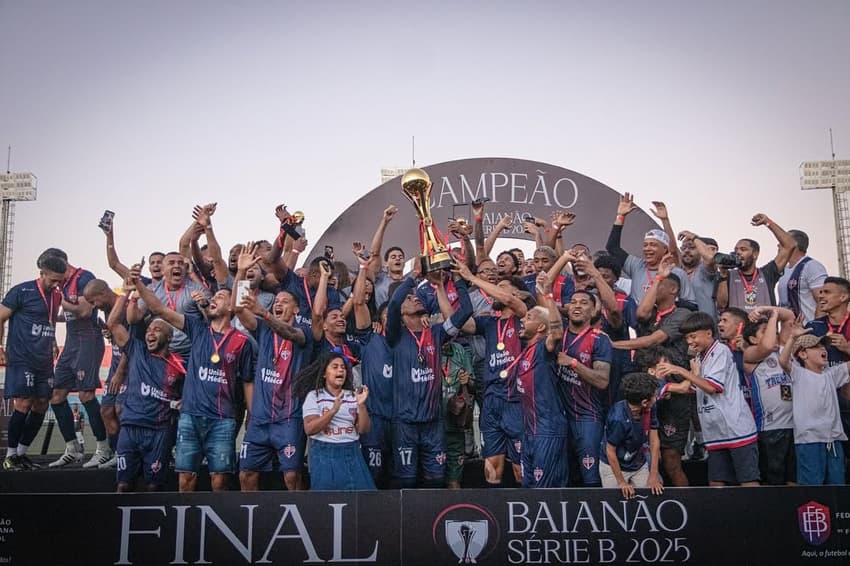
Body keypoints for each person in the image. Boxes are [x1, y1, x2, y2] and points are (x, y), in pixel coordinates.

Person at [132, 267, 254, 492]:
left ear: (231, 306)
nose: (214, 299)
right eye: (214, 296)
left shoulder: (242, 342)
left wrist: (251, 416)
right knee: (186, 477)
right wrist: (138, 283)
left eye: (220, 297)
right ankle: (185, 524)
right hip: (190, 415)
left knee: (220, 479)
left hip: (222, 418)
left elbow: (247, 381)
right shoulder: (197, 327)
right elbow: (159, 308)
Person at [233, 245, 312, 492]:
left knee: (292, 477)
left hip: (289, 418)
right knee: (246, 474)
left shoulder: (303, 332)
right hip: (260, 419)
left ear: (296, 309)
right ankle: (249, 524)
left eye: (285, 301)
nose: (279, 304)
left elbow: (287, 331)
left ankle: (303, 522)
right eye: (276, 301)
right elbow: (237, 308)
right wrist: (242, 273)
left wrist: (265, 314)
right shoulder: (263, 329)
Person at [386, 266, 473, 488]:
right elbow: (394, 303)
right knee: (406, 480)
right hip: (405, 423)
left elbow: (465, 312)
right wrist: (415, 274)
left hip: (434, 423)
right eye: (409, 298)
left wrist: (458, 279)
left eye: (415, 296)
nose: (414, 298)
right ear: (402, 314)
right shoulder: (395, 336)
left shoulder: (436, 334)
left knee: (436, 480)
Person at [660, 312, 760, 487]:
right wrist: (665, 388)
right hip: (715, 432)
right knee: (715, 483)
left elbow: (713, 388)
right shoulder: (698, 357)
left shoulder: (720, 350)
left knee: (748, 482)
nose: (689, 342)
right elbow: (694, 387)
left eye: (693, 336)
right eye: (687, 338)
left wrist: (680, 370)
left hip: (736, 429)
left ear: (708, 333)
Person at [453, 262, 528, 487]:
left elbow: (512, 302)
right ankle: (495, 511)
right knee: (492, 464)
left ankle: (523, 510)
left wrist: (472, 277)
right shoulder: (490, 322)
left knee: (520, 466)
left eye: (501, 286)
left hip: (516, 399)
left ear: (516, 293)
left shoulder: (524, 318)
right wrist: (452, 285)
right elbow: (460, 324)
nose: (495, 288)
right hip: (491, 399)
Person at [105, 289, 184, 492]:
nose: (150, 333)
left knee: (154, 487)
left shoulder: (180, 365)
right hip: (130, 428)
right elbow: (113, 325)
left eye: (156, 330)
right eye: (148, 330)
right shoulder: (137, 350)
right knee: (122, 485)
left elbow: (189, 396)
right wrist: (126, 292)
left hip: (160, 431)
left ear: (169, 337)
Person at [44, 250, 110, 468]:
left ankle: (103, 448)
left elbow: (83, 311)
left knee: (86, 394)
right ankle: (72, 448)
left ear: (63, 264)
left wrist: (63, 303)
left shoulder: (83, 277)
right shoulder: (61, 284)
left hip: (88, 340)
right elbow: (69, 313)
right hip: (72, 342)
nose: (52, 279)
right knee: (56, 396)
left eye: (53, 272)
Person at [0, 255, 66, 471]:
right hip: (21, 357)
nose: (56, 285)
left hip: (44, 359)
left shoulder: (56, 296)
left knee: (41, 404)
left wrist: (54, 341)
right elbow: (1, 317)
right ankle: (9, 456)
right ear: (42, 274)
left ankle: (21, 453)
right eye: (53, 280)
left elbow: (48, 321)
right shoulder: (22, 291)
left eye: (60, 281)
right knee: (24, 403)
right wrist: (0, 347)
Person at [514, 274, 569, 488]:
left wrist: (547, 294)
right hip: (530, 431)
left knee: (544, 491)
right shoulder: (525, 351)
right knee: (529, 488)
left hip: (548, 431)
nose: (521, 319)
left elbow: (556, 332)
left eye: (528, 317)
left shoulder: (543, 349)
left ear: (540, 328)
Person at [779, 322, 849, 485]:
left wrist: (846, 348)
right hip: (809, 440)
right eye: (816, 347)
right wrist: (793, 337)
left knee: (837, 487)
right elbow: (783, 361)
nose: (823, 349)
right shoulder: (798, 373)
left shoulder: (832, 374)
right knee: (812, 489)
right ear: (803, 354)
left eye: (823, 346)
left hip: (833, 439)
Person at [557, 289, 613, 487]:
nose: (577, 305)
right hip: (558, 419)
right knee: (561, 477)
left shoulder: (600, 339)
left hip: (587, 416)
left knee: (591, 478)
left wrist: (573, 363)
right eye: (573, 302)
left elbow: (602, 381)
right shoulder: (557, 335)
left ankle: (596, 517)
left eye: (583, 302)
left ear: (593, 310)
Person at [298, 352, 374, 490]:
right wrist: (333, 411)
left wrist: (361, 405)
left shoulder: (353, 396)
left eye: (343, 368)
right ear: (324, 374)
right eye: (335, 367)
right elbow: (309, 429)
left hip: (352, 451)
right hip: (324, 452)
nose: (340, 370)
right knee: (326, 502)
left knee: (366, 498)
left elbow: (363, 429)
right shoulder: (314, 396)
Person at [605, 193, 695, 304]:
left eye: (653, 245)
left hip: (664, 320)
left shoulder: (677, 273)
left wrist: (669, 305)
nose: (647, 248)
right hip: (637, 320)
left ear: (665, 249)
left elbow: (692, 304)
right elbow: (612, 248)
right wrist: (620, 216)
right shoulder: (636, 265)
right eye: (645, 245)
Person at [740, 307, 796, 484]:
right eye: (765, 331)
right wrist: (773, 317)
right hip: (771, 428)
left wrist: (766, 309)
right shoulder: (751, 355)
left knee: (794, 479)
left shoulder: (785, 349)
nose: (773, 333)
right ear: (753, 339)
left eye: (773, 329)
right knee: (774, 482)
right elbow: (766, 345)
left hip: (797, 425)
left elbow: (789, 317)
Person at [82, 279, 126, 469]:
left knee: (121, 411)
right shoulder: (107, 310)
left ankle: (125, 455)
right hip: (115, 367)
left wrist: (120, 372)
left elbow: (132, 345)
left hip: (129, 369)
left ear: (103, 294)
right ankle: (112, 452)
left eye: (93, 302)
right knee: (106, 410)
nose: (93, 307)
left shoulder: (123, 308)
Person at [599, 373, 664, 498]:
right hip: (613, 466)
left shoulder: (651, 408)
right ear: (644, 402)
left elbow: (654, 441)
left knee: (653, 491)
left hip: (638, 463)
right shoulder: (618, 418)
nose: (656, 398)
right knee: (617, 501)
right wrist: (622, 482)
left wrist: (653, 475)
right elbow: (610, 451)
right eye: (655, 396)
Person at [805, 276, 850, 453]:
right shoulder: (813, 326)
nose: (821, 296)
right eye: (821, 292)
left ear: (843, 297)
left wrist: (847, 348)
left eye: (827, 292)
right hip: (823, 405)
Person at [715, 213, 796, 313]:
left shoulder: (767, 273)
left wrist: (768, 222)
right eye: (736, 250)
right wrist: (723, 274)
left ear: (755, 254)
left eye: (743, 249)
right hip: (739, 328)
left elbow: (790, 245)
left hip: (764, 327)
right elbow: (722, 304)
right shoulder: (729, 275)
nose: (738, 252)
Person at [441, 339, 475, 489]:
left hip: (455, 423)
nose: (446, 340)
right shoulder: (426, 349)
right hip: (432, 425)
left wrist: (467, 381)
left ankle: (455, 511)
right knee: (433, 477)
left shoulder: (459, 350)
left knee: (454, 478)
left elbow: (474, 385)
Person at [777, 230, 828, 323]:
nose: (778, 245)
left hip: (807, 330)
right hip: (788, 333)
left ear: (794, 244)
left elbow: (823, 300)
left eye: (782, 241)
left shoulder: (812, 266)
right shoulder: (784, 270)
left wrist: (816, 326)